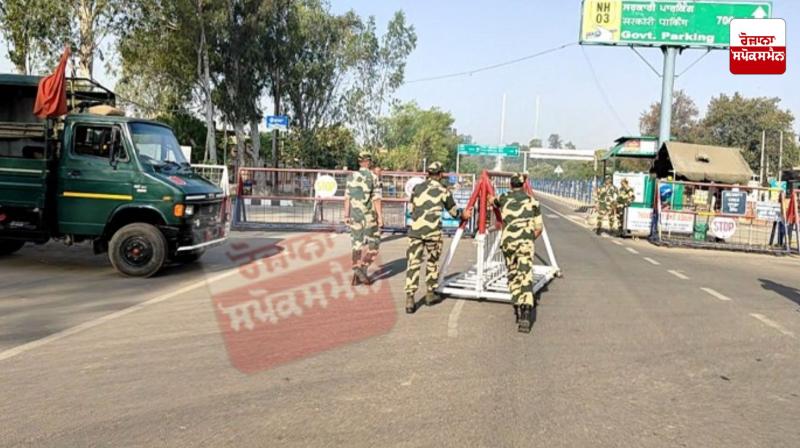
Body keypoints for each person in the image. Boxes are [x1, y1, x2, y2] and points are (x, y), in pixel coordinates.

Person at [405, 161, 472, 313]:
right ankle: (430, 293)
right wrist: (464, 215)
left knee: (413, 264)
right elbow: (454, 212)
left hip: (415, 232)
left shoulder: (417, 188)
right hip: (433, 233)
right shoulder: (443, 190)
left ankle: (410, 298)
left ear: (428, 173)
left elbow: (412, 207)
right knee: (432, 262)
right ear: (441, 174)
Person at [487, 173, 543, 333]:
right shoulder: (533, 202)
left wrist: (490, 194)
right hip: (525, 243)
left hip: (509, 243)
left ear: (511, 185)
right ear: (524, 185)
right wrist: (528, 239)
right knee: (525, 275)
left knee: (512, 273)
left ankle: (517, 303)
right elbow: (539, 228)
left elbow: (492, 201)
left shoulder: (504, 197)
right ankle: (526, 311)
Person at [344, 151, 383, 284]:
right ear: (369, 162)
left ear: (359, 162)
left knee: (356, 245)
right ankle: (363, 267)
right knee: (375, 244)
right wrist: (380, 217)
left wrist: (346, 215)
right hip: (369, 216)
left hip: (355, 216)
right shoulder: (373, 177)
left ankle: (356, 269)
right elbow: (376, 199)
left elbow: (347, 198)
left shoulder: (350, 177)